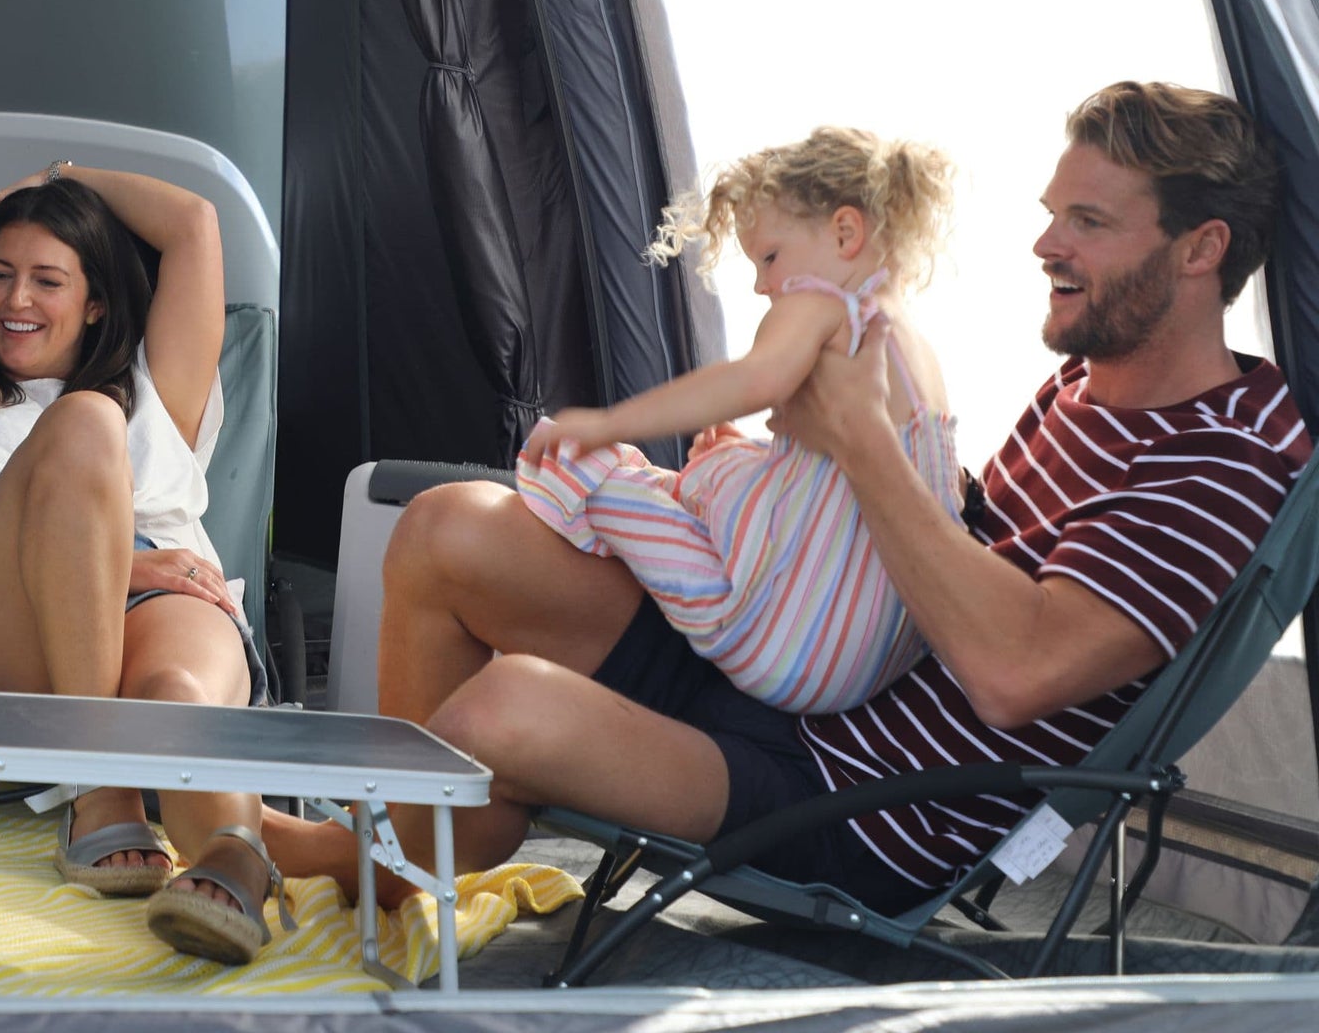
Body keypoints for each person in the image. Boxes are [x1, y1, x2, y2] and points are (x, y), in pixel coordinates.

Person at [263, 81, 1310, 913]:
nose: (1047, 246)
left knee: (505, 705)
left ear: (1198, 249)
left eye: (1089, 221)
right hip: (797, 682)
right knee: (450, 528)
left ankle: (374, 852)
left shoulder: (1216, 462)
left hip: (856, 802)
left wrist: (860, 442)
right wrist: (760, 493)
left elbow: (1013, 670)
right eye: (1051, 216)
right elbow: (959, 536)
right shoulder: (1086, 385)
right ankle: (406, 848)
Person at [0, 164, 284, 966]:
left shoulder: (157, 389)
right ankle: (103, 786)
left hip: (169, 597)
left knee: (176, 697)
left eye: (47, 280)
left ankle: (236, 860)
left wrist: (56, 177)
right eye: (0, 275)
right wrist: (118, 566)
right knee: (86, 424)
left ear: (96, 303)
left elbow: (193, 223)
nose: (14, 301)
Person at [520, 128, 960, 714]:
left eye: (770, 257)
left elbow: (752, 381)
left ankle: (612, 489)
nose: (762, 285)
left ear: (846, 233)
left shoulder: (824, 304)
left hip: (782, 642)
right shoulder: (915, 349)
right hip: (874, 653)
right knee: (734, 456)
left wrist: (604, 425)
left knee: (606, 476)